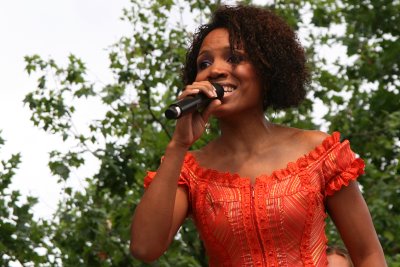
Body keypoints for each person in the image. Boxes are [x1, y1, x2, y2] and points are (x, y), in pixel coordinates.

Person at [130, 4, 386, 266]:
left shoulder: (317, 152)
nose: (215, 70)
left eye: (234, 58)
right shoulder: (190, 170)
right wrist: (178, 145)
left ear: (268, 68)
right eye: (204, 63)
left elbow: (368, 254)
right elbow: (144, 247)